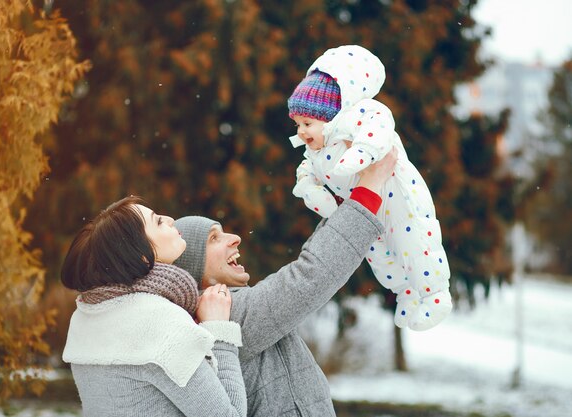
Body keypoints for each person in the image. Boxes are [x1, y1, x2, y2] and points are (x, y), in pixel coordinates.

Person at [173, 149, 397, 417]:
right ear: (193, 265)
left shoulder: (224, 310)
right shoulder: (223, 312)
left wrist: (343, 201)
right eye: (213, 238)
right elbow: (310, 276)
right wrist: (367, 191)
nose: (234, 238)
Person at [287, 44, 452, 331]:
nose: (301, 132)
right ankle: (406, 292)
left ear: (328, 115)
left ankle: (436, 295)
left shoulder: (359, 116)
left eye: (307, 123)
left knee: (413, 243)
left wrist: (359, 155)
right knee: (379, 256)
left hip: (397, 196)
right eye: (298, 123)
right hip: (366, 208)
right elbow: (307, 170)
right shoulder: (314, 150)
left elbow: (379, 130)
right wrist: (307, 185)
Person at [61, 196, 247, 417]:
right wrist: (219, 330)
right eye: (158, 221)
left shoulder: (86, 315)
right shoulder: (161, 323)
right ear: (141, 255)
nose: (170, 219)